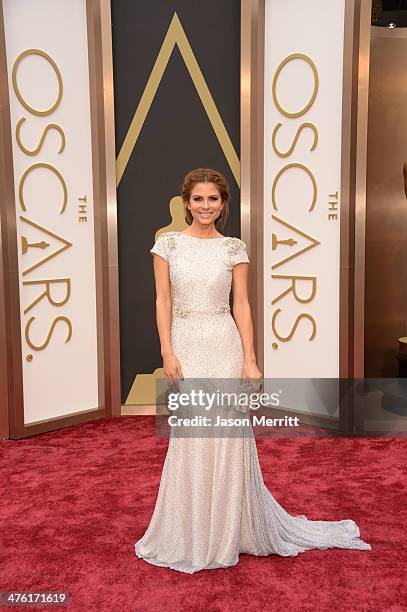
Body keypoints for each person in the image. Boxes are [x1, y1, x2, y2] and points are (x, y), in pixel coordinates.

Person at [134, 168, 371, 573]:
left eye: (213, 199)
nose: (205, 206)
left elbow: (242, 305)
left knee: (227, 434)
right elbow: (162, 301)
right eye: (198, 199)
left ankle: (230, 528)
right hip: (186, 344)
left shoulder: (234, 248)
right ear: (186, 202)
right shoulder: (167, 244)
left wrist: (250, 358)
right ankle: (190, 530)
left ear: (223, 204)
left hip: (223, 344)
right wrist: (167, 351)